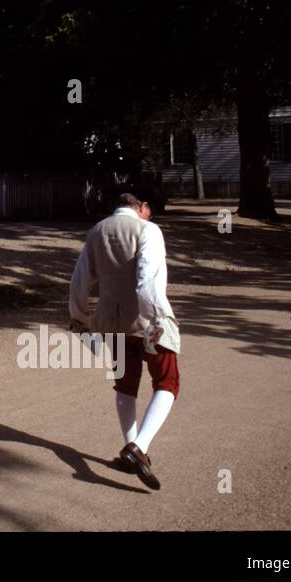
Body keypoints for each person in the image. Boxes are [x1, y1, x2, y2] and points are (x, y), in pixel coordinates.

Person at [68, 192, 179, 490]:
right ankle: (138, 447)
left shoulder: (97, 232)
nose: (150, 214)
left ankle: (130, 448)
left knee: (125, 385)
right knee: (168, 382)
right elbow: (146, 282)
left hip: (110, 321)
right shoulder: (148, 230)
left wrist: (79, 318)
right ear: (141, 207)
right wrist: (157, 321)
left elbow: (80, 280)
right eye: (149, 209)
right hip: (145, 320)